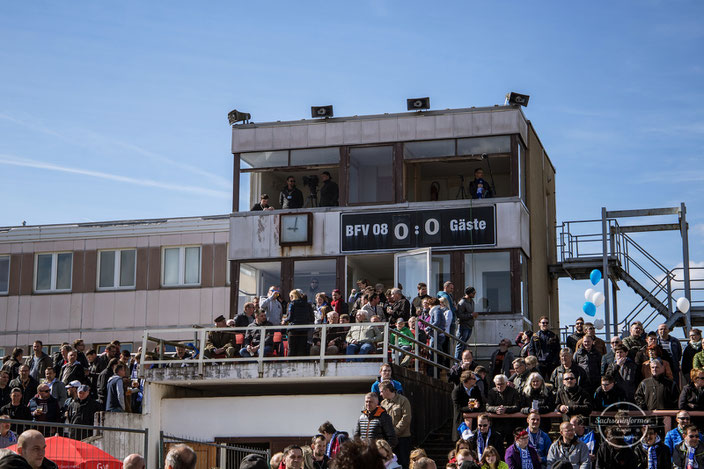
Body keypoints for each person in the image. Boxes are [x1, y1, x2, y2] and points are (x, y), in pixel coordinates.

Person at [380, 381, 412, 469]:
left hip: (402, 438)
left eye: (381, 391)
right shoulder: (383, 403)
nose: (380, 394)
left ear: (387, 390)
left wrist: (395, 432)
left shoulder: (403, 401)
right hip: (389, 439)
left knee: (404, 463)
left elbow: (406, 418)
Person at [452, 372, 484, 440]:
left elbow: (481, 402)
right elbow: (458, 407)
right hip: (461, 421)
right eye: (474, 379)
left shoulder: (476, 389)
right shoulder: (457, 391)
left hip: (475, 421)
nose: (476, 380)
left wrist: (477, 405)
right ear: (468, 380)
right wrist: (469, 407)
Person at [286, 289, 315, 357]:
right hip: (304, 329)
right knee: (302, 349)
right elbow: (310, 317)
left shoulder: (292, 304)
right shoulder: (307, 304)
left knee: (292, 349)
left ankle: (290, 365)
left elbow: (290, 317)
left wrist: (284, 320)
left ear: (293, 296)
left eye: (290, 297)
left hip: (293, 329)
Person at [455, 287, 478, 359]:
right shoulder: (462, 303)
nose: (475, 294)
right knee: (460, 345)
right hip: (463, 327)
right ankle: (457, 362)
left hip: (469, 326)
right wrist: (471, 315)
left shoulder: (472, 301)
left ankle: (463, 361)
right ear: (468, 293)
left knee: (464, 345)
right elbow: (459, 315)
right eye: (473, 293)